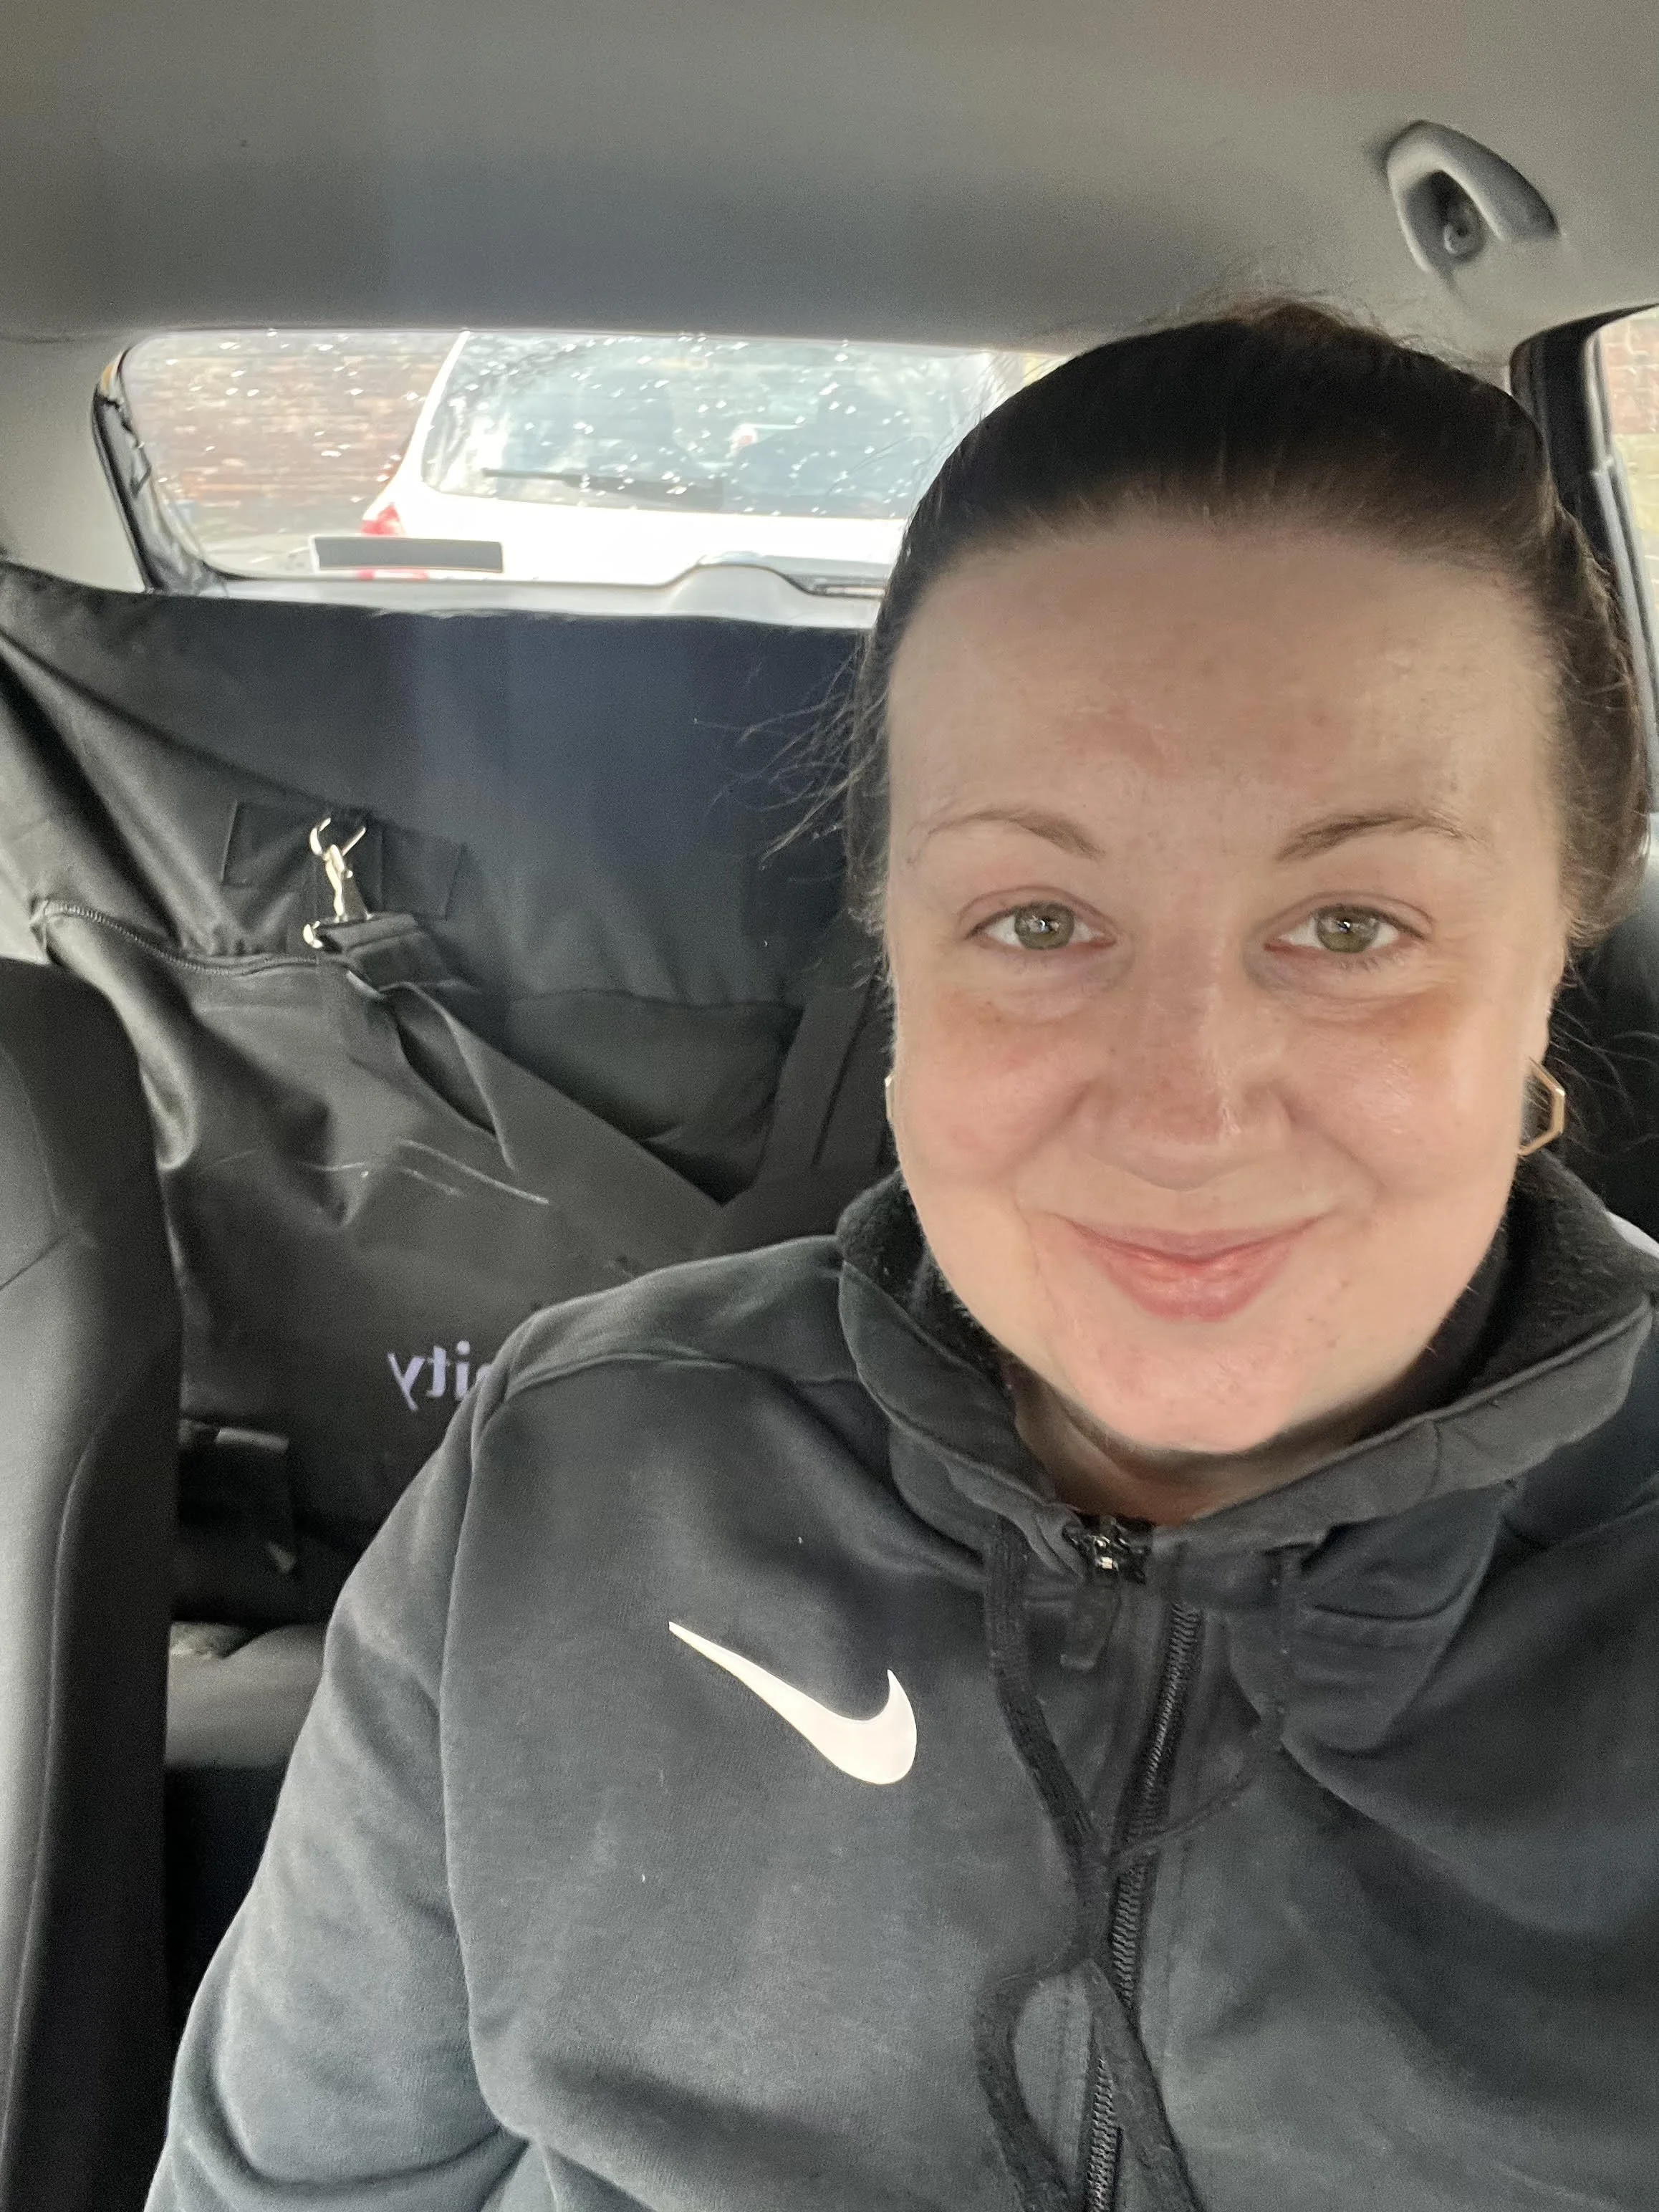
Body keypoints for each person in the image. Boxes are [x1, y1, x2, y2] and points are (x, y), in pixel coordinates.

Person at [148, 303, 1659, 2212]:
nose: (1182, 1112)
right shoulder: (576, 1468)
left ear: (1556, 947)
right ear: (891, 947)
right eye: (1037, 917)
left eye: (1350, 925)